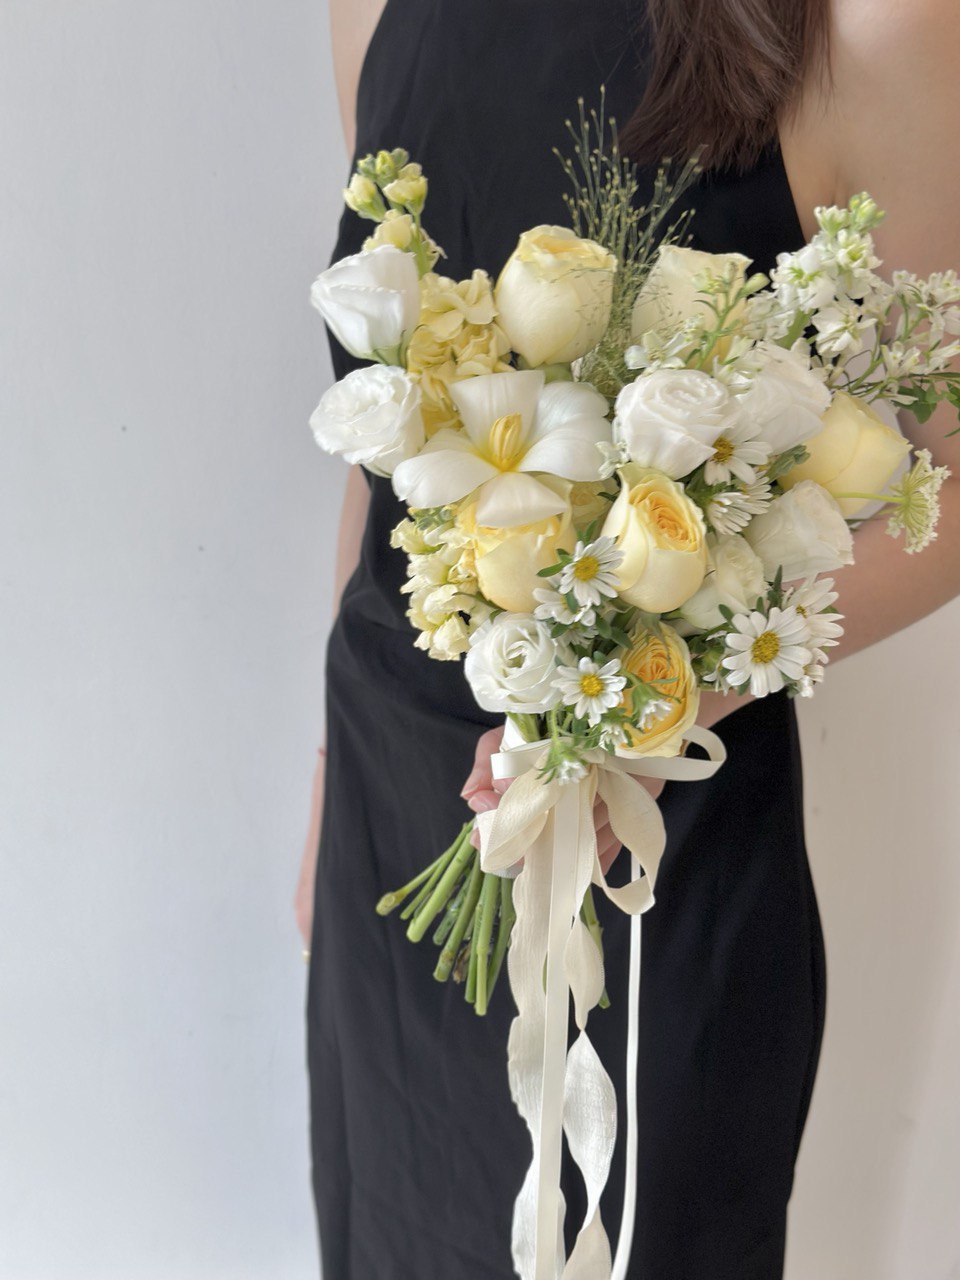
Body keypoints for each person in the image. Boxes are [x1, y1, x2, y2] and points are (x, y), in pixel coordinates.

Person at [297, 1, 960, 1275]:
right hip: (393, 808)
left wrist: (662, 699)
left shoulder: (875, 25)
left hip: (651, 840)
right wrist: (330, 793)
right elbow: (388, 458)